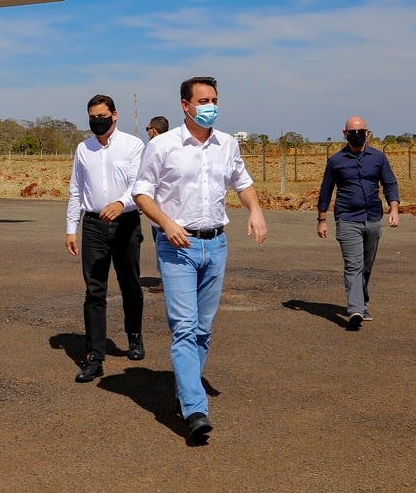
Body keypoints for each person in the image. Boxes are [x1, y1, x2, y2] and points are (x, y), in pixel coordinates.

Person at [132, 76, 267, 439]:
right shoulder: (163, 146)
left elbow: (243, 183)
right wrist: (166, 223)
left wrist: (255, 210)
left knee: (203, 330)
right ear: (185, 105)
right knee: (185, 328)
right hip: (177, 245)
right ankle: (194, 409)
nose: (211, 106)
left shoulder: (226, 145)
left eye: (215, 99)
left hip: (216, 245)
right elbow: (141, 193)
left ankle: (185, 389)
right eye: (203, 100)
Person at [66, 94, 146, 383]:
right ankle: (94, 357)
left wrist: (122, 203)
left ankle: (134, 336)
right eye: (92, 117)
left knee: (130, 286)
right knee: (94, 291)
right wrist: (70, 228)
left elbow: (140, 184)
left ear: (115, 115)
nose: (97, 121)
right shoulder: (83, 149)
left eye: (102, 116)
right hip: (94, 225)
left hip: (126, 223)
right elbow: (76, 190)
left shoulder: (133, 145)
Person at [317, 116, 399, 330]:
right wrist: (322, 220)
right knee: (353, 265)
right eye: (352, 132)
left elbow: (389, 183)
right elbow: (326, 191)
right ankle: (355, 310)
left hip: (372, 218)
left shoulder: (378, 158)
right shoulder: (336, 161)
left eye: (360, 131)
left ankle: (361, 301)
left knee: (366, 266)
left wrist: (394, 208)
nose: (356, 135)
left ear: (367, 132)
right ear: (345, 134)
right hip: (347, 219)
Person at [145, 115, 170, 294]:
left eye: (148, 128)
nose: (147, 132)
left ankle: (166, 279)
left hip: (159, 206)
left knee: (162, 244)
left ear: (154, 129)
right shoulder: (174, 144)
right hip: (173, 205)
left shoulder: (154, 146)